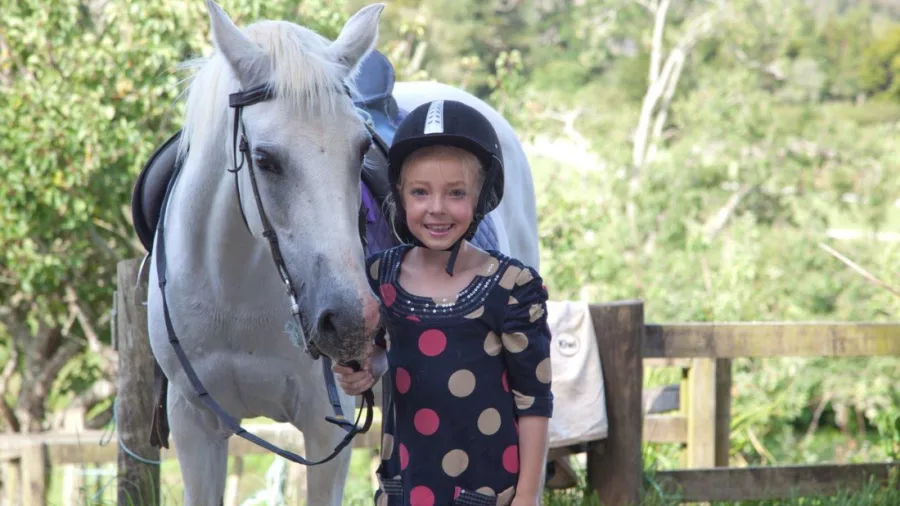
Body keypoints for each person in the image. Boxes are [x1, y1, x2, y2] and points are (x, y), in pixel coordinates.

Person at [333, 99, 553, 506]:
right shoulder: (382, 275)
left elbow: (533, 402)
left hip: (487, 494)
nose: (436, 208)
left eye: (455, 193)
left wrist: (528, 495)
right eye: (420, 192)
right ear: (400, 193)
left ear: (483, 195)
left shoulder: (512, 288)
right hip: (407, 489)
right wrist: (368, 368)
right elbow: (387, 352)